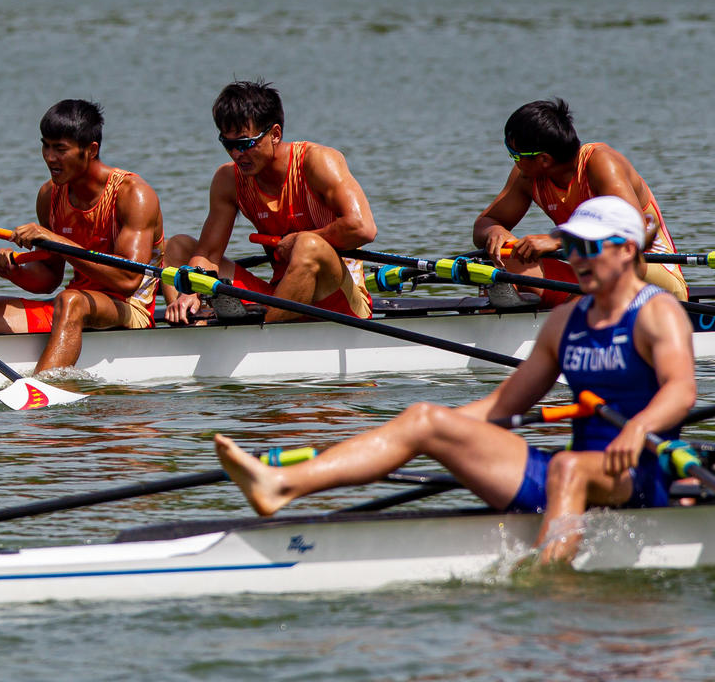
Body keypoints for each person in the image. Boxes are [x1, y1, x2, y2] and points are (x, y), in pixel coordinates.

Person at [216, 196, 695, 564]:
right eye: (570, 247)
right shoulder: (565, 321)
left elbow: (681, 390)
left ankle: (549, 592)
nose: (576, 258)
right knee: (423, 418)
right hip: (569, 473)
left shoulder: (656, 313)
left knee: (569, 468)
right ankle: (280, 483)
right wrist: (428, 435)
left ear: (627, 249)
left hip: (640, 473)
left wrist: (636, 429)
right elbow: (502, 406)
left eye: (589, 248)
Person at [0, 99, 164, 373]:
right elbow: (50, 280)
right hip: (73, 305)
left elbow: (128, 280)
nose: (50, 157)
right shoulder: (49, 195)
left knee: (71, 300)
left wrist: (55, 240)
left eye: (60, 149)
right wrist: (13, 271)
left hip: (129, 309)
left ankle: (43, 389)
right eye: (46, 146)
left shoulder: (133, 194)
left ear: (91, 150)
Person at [163, 80, 376, 325]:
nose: (236, 154)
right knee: (177, 248)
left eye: (245, 143)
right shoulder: (228, 180)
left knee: (308, 245)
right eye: (228, 144)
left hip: (338, 300)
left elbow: (362, 227)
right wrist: (190, 288)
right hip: (279, 296)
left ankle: (262, 340)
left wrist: (298, 239)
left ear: (275, 134)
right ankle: (187, 322)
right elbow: (209, 254)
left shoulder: (317, 162)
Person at [474, 98, 687, 305]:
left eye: (514, 155)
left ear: (544, 159)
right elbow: (486, 222)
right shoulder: (527, 176)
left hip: (652, 272)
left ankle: (576, 312)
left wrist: (560, 241)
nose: (514, 161)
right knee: (510, 256)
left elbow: (632, 230)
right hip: (592, 275)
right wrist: (495, 233)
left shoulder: (600, 162)